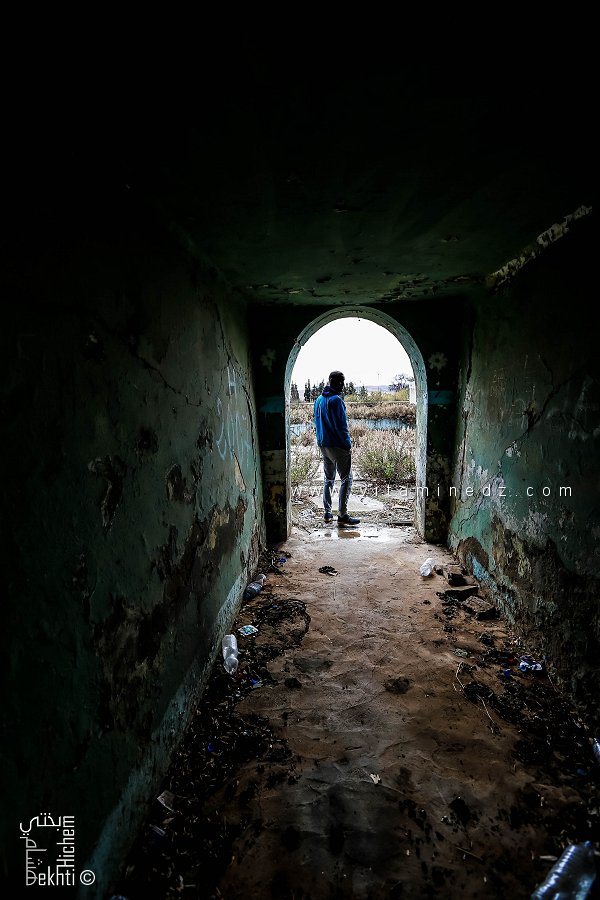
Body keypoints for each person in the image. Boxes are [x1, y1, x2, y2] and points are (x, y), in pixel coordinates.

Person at [313, 371, 361, 526]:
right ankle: (342, 514)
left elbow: (317, 423)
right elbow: (342, 427)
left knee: (328, 478)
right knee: (347, 479)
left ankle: (327, 513)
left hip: (323, 444)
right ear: (337, 382)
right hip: (337, 446)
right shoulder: (336, 401)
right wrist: (347, 445)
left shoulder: (319, 400)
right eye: (342, 382)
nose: (343, 385)